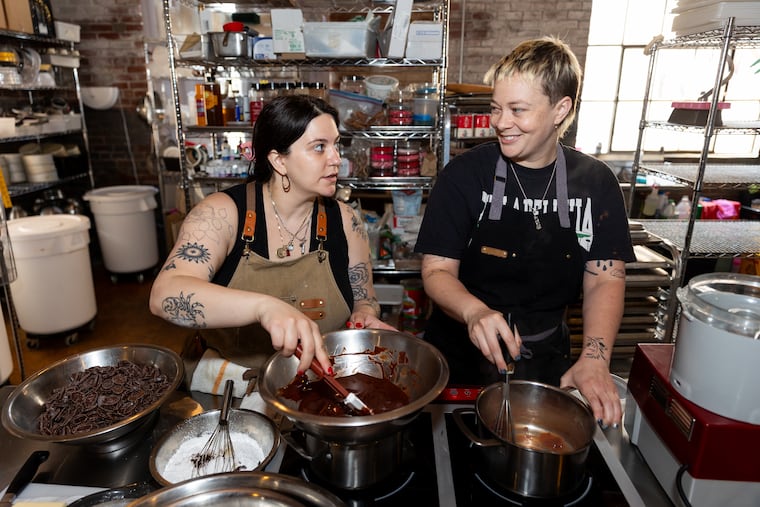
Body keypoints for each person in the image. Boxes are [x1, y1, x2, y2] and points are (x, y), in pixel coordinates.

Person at [414, 37, 635, 427]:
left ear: (559, 110)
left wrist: (596, 359)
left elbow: (604, 279)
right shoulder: (465, 175)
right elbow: (436, 272)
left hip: (546, 358)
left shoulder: (596, 183)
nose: (500, 122)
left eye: (517, 109)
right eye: (496, 108)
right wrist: (475, 311)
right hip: (459, 359)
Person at [150, 95, 395, 380]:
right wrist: (264, 307)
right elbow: (163, 295)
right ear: (279, 160)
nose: (336, 159)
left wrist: (363, 314)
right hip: (230, 392)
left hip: (320, 382)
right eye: (319, 148)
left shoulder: (346, 221)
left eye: (336, 145)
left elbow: (364, 299)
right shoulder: (221, 214)